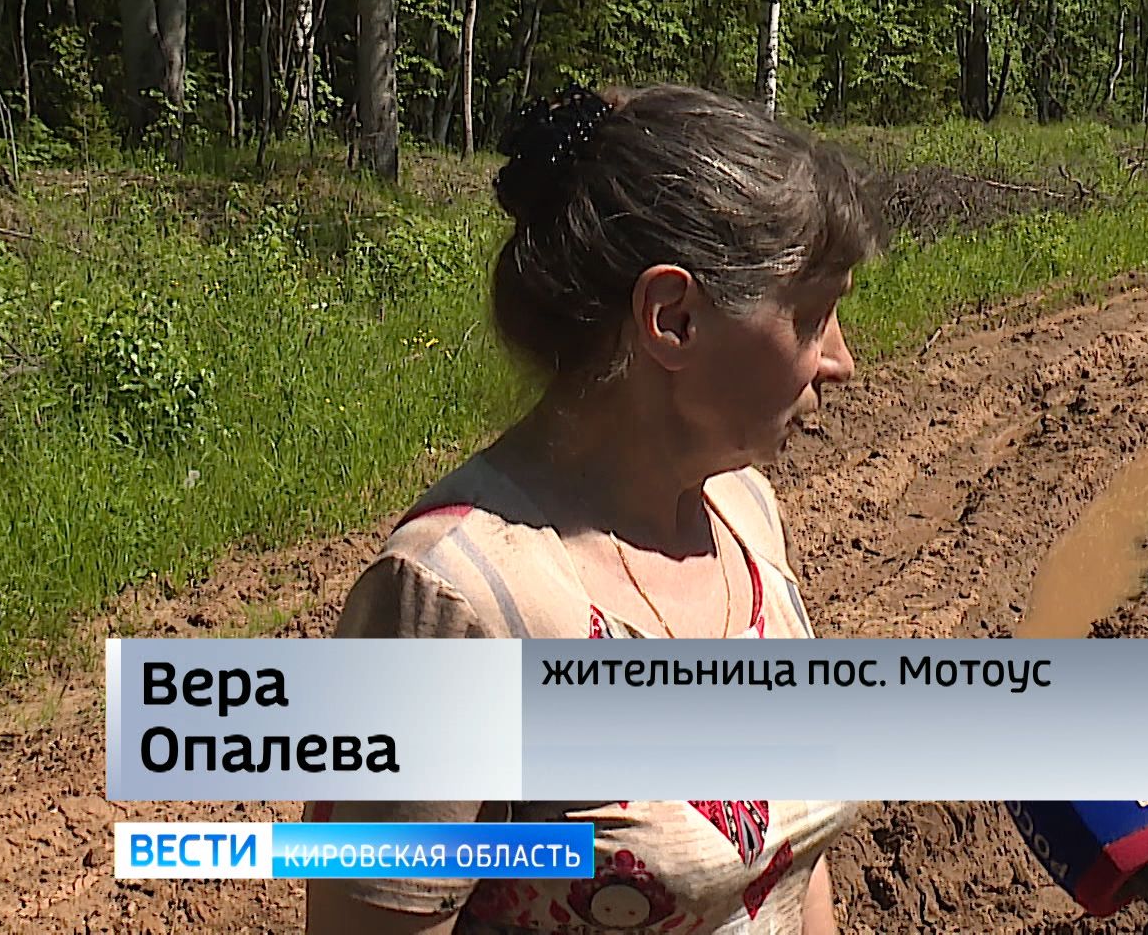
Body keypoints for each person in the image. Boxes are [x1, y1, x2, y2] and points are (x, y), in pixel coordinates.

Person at [304, 83, 887, 935]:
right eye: (810, 316)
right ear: (672, 319)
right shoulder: (453, 604)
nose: (841, 359)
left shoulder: (744, 514)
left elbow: (794, 861)